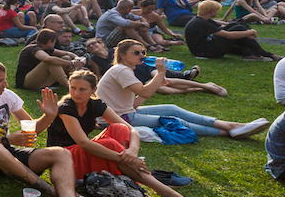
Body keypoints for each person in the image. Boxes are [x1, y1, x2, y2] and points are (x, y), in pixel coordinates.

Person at [0, 57, 116, 197]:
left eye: (5, 79)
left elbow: (33, 129)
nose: (6, 84)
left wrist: (49, 116)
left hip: (7, 153)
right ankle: (52, 193)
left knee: (60, 153)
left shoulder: (7, 96)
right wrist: (8, 139)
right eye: (0, 80)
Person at [44, 70, 198, 197]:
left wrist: (132, 151)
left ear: (94, 90)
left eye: (82, 89)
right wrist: (124, 157)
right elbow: (84, 143)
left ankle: (127, 176)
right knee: (109, 144)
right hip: (65, 160)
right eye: (73, 88)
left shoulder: (95, 103)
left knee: (119, 129)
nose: (76, 93)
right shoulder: (65, 107)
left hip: (83, 153)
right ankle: (166, 192)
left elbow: (130, 129)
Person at [96, 40, 268, 138]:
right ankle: (229, 130)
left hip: (125, 113)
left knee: (172, 108)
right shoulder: (122, 70)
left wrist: (157, 82)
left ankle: (234, 127)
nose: (142, 56)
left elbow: (133, 103)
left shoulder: (125, 71)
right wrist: (160, 74)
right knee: (172, 120)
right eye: (136, 53)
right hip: (118, 120)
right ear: (123, 55)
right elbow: (145, 92)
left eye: (143, 52)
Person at [184, 0, 279, 61]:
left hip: (205, 48)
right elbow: (228, 35)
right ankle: (263, 54)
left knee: (236, 25)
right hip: (206, 52)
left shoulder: (201, 19)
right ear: (212, 11)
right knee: (238, 28)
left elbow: (224, 26)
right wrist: (251, 32)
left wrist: (242, 27)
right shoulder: (201, 23)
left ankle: (249, 54)